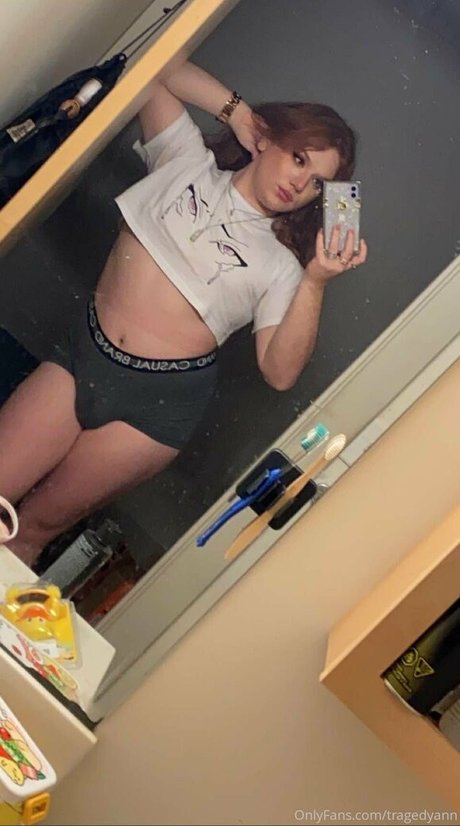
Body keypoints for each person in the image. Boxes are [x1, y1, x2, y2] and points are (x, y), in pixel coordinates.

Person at [0, 60, 367, 567]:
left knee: (30, 531)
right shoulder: (184, 160)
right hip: (84, 354)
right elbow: (152, 70)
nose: (299, 183)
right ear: (269, 140)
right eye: (298, 158)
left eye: (316, 184)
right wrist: (239, 114)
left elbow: (279, 373)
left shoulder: (283, 266)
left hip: (155, 408)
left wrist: (315, 281)